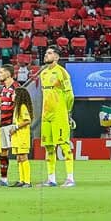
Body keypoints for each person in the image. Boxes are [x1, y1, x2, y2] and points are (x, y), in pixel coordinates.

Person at [38, 44, 76, 187]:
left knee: (64, 145)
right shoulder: (43, 74)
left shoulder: (62, 72)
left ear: (56, 57)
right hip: (46, 114)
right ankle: (51, 179)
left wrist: (67, 111)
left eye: (49, 53)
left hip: (59, 113)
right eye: (46, 53)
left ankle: (70, 178)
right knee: (48, 147)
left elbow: (70, 95)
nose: (46, 55)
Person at [0, 65, 19, 186]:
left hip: (11, 123)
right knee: (3, 151)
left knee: (19, 152)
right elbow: (3, 104)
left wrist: (15, 123)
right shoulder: (4, 88)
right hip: (3, 123)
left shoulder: (16, 87)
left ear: (8, 73)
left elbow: (18, 105)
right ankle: (4, 178)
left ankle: (23, 179)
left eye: (1, 72)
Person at [11, 87, 34, 188]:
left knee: (23, 157)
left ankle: (27, 181)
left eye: (14, 94)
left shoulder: (22, 107)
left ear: (19, 96)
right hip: (16, 136)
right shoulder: (17, 107)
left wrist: (16, 127)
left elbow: (27, 120)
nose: (12, 95)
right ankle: (21, 180)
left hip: (22, 136)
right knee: (19, 158)